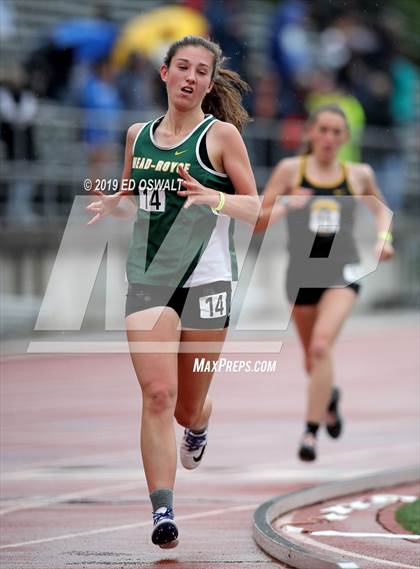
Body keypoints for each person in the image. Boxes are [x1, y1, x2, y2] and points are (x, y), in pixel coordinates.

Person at [86, 36, 259, 548]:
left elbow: (258, 208)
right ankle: (163, 510)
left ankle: (201, 422)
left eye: (200, 71)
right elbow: (135, 191)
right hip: (150, 278)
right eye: (181, 67)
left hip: (207, 280)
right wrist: (114, 199)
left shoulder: (222, 135)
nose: (190, 77)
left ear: (209, 82)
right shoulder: (137, 133)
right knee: (158, 395)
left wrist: (217, 199)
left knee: (185, 408)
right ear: (164, 73)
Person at [256, 104, 394, 462]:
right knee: (311, 360)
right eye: (324, 130)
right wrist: (287, 204)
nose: (330, 138)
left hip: (342, 273)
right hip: (300, 276)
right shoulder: (290, 171)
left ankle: (310, 433)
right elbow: (258, 219)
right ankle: (329, 397)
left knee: (320, 347)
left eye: (337, 132)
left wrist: (383, 239)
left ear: (345, 138)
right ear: (310, 133)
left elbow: (381, 210)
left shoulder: (358, 175)